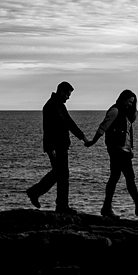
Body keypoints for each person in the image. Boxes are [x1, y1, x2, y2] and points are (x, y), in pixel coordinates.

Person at [86, 89, 138, 218]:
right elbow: (103, 127)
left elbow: (127, 133)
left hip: (124, 150)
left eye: (132, 102)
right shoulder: (115, 111)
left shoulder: (125, 114)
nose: (130, 104)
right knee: (124, 177)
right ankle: (135, 206)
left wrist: (130, 148)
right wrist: (93, 141)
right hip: (117, 149)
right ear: (122, 99)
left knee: (120, 178)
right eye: (129, 101)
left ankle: (111, 207)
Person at [26, 81, 89, 213]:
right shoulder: (49, 106)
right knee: (60, 173)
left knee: (62, 174)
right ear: (61, 91)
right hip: (55, 147)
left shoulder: (60, 106)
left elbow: (69, 123)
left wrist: (82, 136)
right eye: (67, 94)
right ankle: (37, 193)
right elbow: (47, 130)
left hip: (63, 146)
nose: (68, 97)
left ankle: (60, 205)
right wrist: (51, 149)